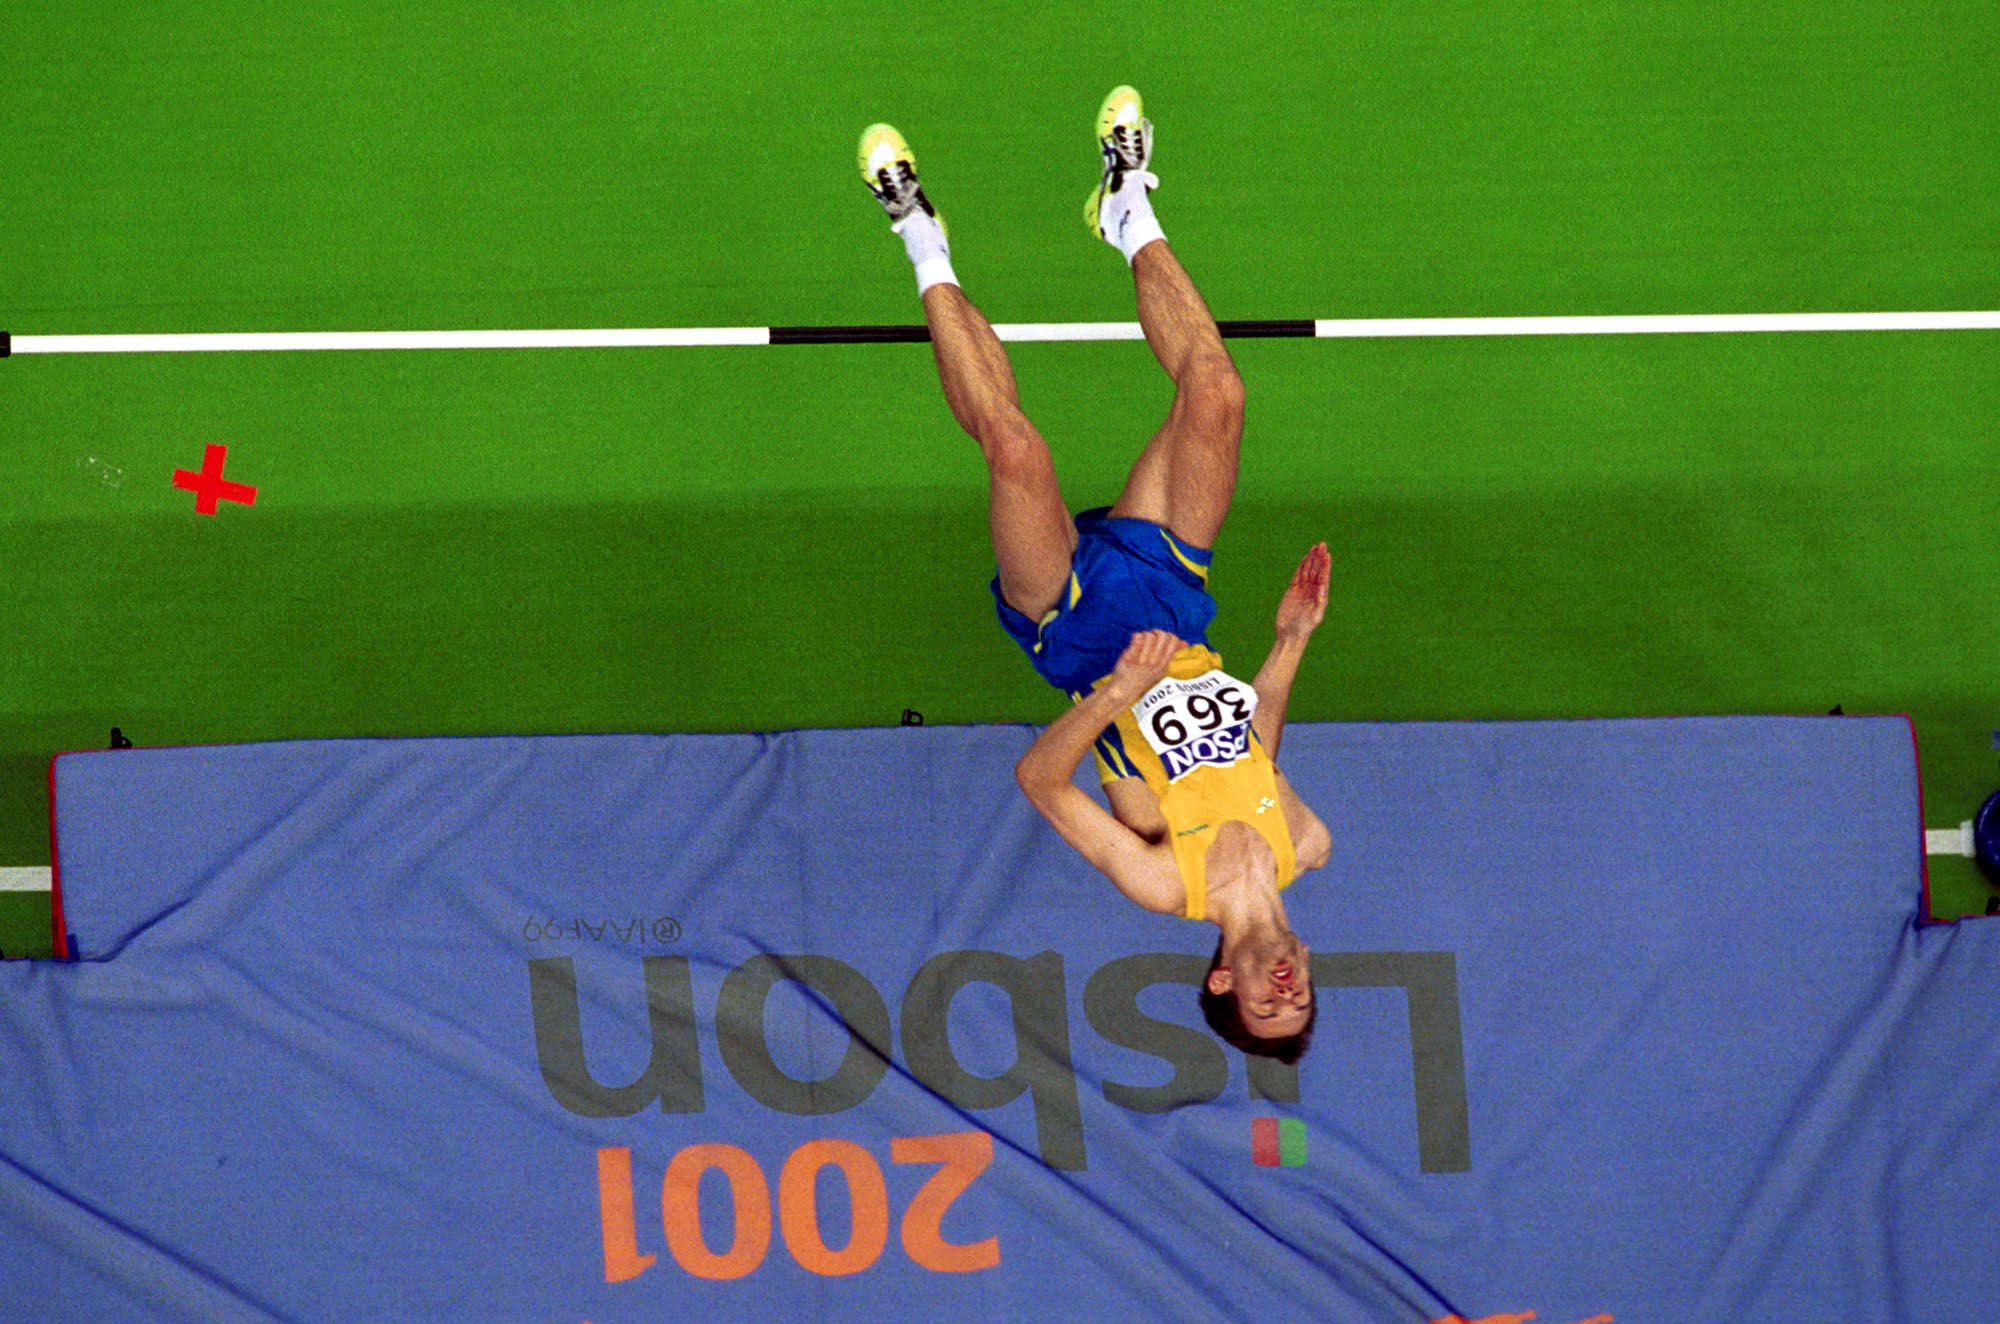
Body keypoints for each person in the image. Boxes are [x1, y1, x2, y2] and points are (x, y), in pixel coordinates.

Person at [859, 87, 1333, 1062]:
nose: (1283, 989)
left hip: (1079, 640)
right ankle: (1127, 206)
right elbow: (1257, 750)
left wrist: (1116, 689)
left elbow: (1037, 778)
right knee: (1216, 394)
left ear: (1221, 982)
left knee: (1016, 451)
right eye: (1299, 1001)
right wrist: (1287, 641)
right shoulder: (1304, 844)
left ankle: (917, 233)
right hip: (1172, 607)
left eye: (1264, 1006)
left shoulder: (1164, 883)